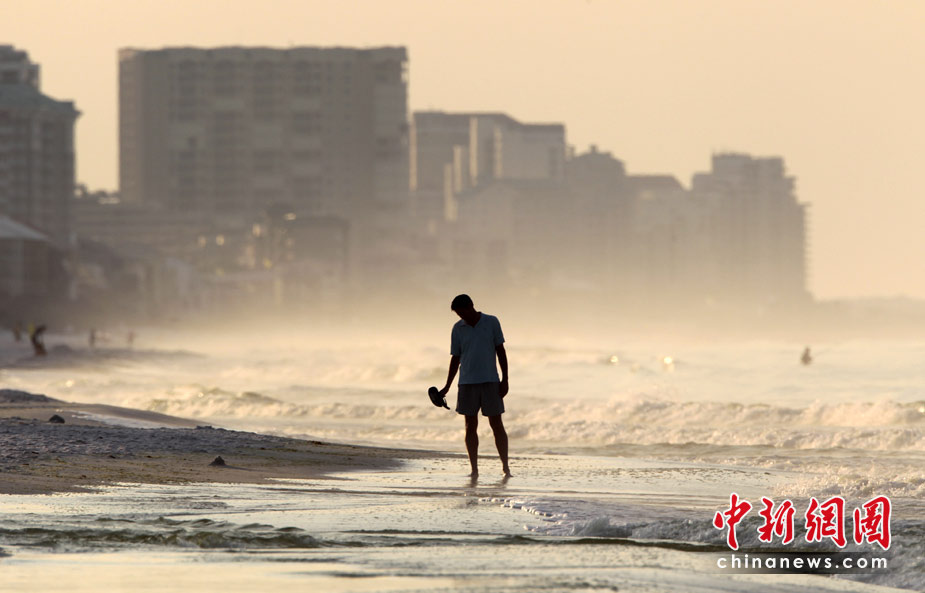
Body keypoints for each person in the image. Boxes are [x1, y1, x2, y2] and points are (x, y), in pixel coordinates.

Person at [438, 294, 511, 478]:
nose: (461, 317)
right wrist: (447, 386)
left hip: (490, 381)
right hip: (467, 382)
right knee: (470, 426)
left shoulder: (491, 322)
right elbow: (455, 358)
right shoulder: (458, 328)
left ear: (471, 306)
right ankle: (474, 469)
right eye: (458, 314)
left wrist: (505, 380)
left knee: (496, 424)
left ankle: (505, 467)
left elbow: (500, 351)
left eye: (463, 312)